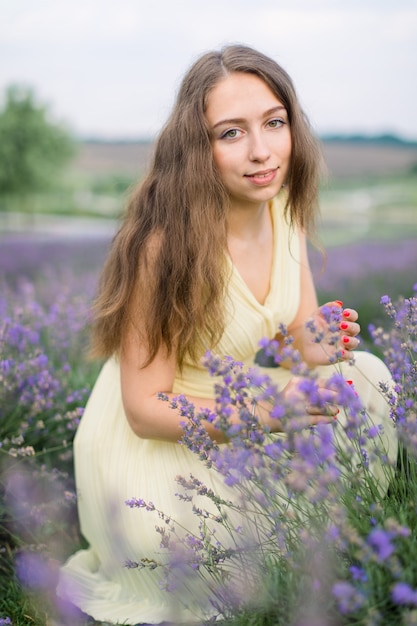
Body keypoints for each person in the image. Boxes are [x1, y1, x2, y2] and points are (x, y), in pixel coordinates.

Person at [58, 44, 397, 624]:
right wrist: (271, 413)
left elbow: (298, 341)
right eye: (231, 133)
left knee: (366, 376)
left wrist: (325, 340)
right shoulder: (163, 248)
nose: (262, 151)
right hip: (154, 445)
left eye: (274, 123)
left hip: (240, 395)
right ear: (198, 148)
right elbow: (144, 409)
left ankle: (333, 532)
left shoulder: (282, 208)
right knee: (221, 556)